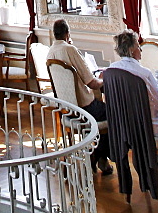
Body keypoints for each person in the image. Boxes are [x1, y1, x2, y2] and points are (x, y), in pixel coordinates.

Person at [109, 29, 158, 202]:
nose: (141, 50)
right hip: (151, 129)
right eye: (138, 46)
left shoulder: (112, 70)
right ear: (131, 50)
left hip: (127, 130)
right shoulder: (144, 74)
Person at [47, 19, 112, 174]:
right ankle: (100, 157)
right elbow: (92, 83)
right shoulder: (69, 49)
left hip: (67, 109)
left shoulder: (50, 52)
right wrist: (107, 79)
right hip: (84, 108)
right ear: (67, 33)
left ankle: (98, 156)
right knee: (113, 112)